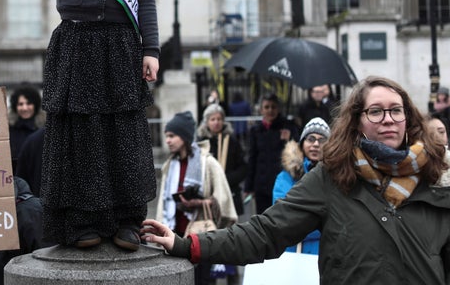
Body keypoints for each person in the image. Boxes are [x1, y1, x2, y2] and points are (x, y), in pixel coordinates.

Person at [142, 76, 450, 284]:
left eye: (396, 111)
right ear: (357, 122)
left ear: (408, 119)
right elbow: (266, 232)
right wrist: (186, 245)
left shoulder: (438, 178)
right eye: (376, 111)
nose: (387, 119)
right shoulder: (332, 177)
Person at [37, 0, 159, 250]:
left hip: (122, 45)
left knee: (122, 132)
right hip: (77, 44)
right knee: (83, 134)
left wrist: (151, 50)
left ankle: (126, 220)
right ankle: (83, 221)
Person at [156, 111, 237, 285]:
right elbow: (163, 202)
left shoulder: (207, 163)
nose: (168, 141)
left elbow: (224, 200)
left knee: (203, 281)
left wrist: (200, 203)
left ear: (184, 137)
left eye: (172, 136)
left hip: (201, 237)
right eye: (166, 136)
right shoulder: (170, 165)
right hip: (175, 236)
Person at [271, 117, 331, 255]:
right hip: (293, 253)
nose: (316, 144)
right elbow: (283, 217)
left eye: (322, 140)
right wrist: (321, 224)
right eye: (311, 139)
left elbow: (340, 218)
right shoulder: (286, 177)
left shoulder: (338, 177)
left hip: (327, 253)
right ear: (302, 143)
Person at [243, 93, 299, 214]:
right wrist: (249, 186)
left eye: (273, 107)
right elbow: (252, 158)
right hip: (261, 185)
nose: (270, 110)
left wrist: (289, 139)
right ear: (261, 110)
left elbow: (296, 155)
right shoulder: (255, 130)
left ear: (278, 108)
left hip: (281, 183)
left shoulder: (288, 127)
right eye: (266, 107)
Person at [197, 104, 247, 217]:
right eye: (212, 119)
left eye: (219, 119)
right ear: (207, 122)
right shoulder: (201, 143)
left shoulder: (232, 141)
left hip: (230, 191)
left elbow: (243, 168)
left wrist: (226, 179)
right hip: (208, 194)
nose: (216, 122)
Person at [8, 84, 43, 174]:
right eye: (20, 104)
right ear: (15, 106)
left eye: (29, 103)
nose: (25, 108)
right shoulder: (8, 129)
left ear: (35, 105)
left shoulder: (43, 129)